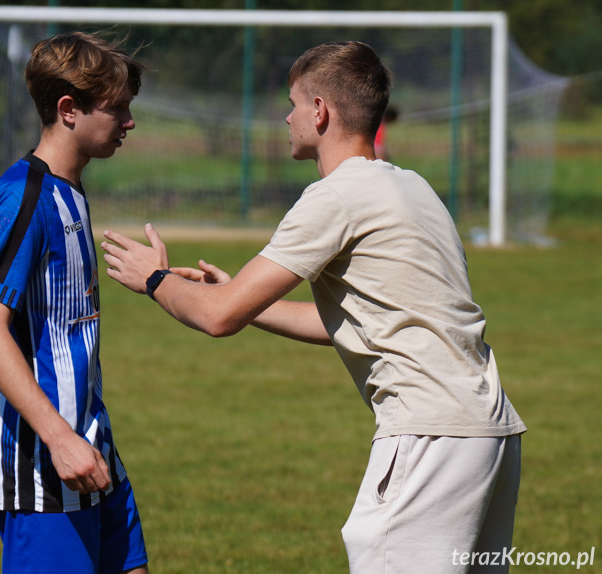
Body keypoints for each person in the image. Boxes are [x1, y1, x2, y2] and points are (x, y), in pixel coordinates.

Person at [100, 41, 525, 574]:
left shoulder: (336, 196)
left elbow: (216, 317)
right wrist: (246, 299)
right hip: (489, 435)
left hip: (430, 436)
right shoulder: (412, 187)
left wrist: (156, 278)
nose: (287, 117)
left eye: (294, 104)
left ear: (320, 111)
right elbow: (361, 325)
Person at [0, 32, 148, 574]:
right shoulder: (25, 194)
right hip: (42, 459)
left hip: (90, 438)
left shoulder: (66, 189)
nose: (130, 121)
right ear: (68, 110)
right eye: (118, 108)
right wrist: (56, 437)